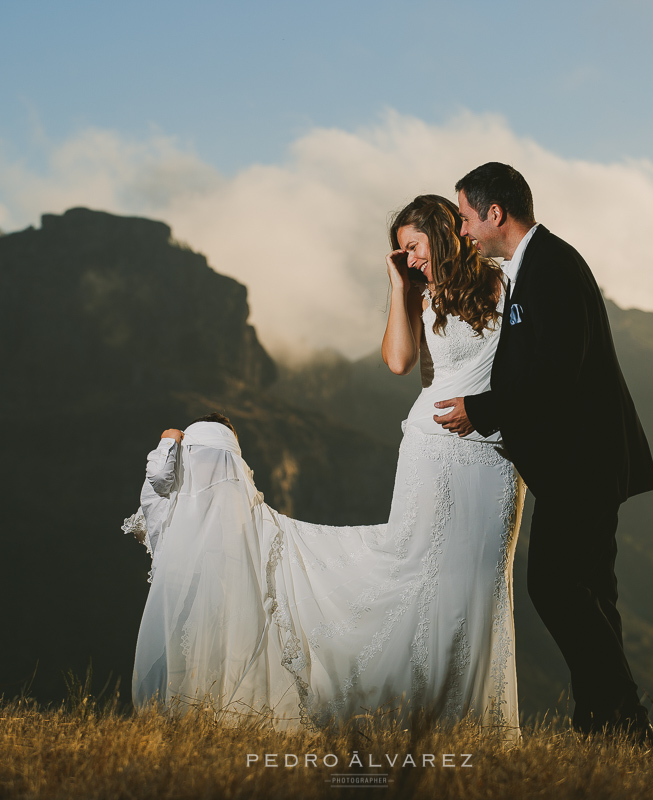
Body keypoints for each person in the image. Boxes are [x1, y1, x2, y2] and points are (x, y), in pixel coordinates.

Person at [123, 196, 525, 735]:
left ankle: (472, 723)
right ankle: (413, 717)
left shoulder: (504, 284)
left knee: (482, 582)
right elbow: (400, 361)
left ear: (442, 233)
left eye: (414, 246)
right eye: (401, 251)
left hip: (494, 455)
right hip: (431, 451)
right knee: (416, 572)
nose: (409, 257)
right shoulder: (423, 292)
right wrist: (399, 287)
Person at [432, 162, 653, 749]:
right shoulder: (532, 267)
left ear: (494, 214)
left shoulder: (553, 266)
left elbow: (557, 371)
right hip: (581, 461)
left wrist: (481, 411)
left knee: (555, 588)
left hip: (582, 463)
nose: (462, 230)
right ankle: (604, 724)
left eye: (464, 217)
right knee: (591, 592)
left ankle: (626, 721)